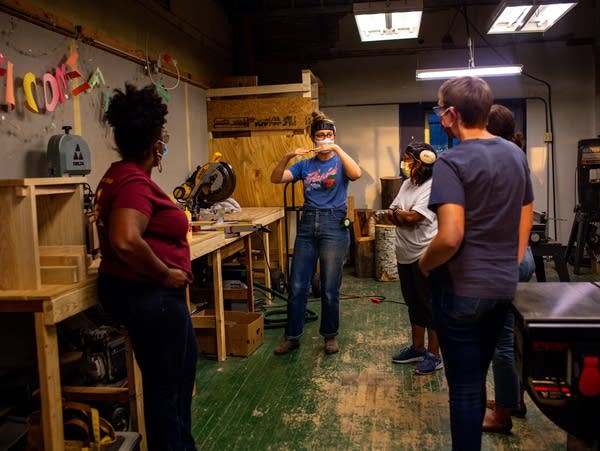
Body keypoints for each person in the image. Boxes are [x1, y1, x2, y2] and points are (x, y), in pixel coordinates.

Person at [418, 76, 534, 451]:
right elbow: (525, 220)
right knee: (483, 369)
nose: (440, 116)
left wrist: (424, 262)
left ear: (451, 115)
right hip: (502, 288)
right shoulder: (516, 154)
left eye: (440, 109)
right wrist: (507, 264)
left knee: (466, 389)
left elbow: (450, 236)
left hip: (462, 292)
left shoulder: (452, 161)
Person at [94, 84, 197, 450]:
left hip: (147, 296)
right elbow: (125, 238)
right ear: (155, 143)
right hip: (153, 296)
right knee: (168, 390)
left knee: (174, 382)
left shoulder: (117, 175)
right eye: (163, 138)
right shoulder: (134, 182)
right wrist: (164, 273)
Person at [270, 111, 362, 355]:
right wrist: (288, 156)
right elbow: (276, 178)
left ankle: (329, 336)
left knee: (330, 287)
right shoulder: (305, 165)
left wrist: (338, 148)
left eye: (329, 135)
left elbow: (357, 174)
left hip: (334, 224)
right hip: (308, 224)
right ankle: (292, 336)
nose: (325, 139)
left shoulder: (341, 161)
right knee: (298, 285)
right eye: (320, 135)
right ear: (313, 139)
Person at [482, 104, 536, 433]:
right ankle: (513, 399)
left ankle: (502, 415)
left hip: (504, 259)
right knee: (512, 335)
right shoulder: (515, 156)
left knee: (501, 340)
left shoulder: (494, 159)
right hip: (521, 254)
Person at [387, 142, 442, 375]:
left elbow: (412, 218)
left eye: (409, 160)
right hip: (404, 253)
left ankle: (434, 355)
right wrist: (401, 215)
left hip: (424, 254)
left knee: (430, 306)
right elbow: (392, 212)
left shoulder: (433, 187)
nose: (405, 164)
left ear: (422, 162)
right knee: (413, 303)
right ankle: (417, 348)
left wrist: (400, 215)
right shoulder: (408, 184)